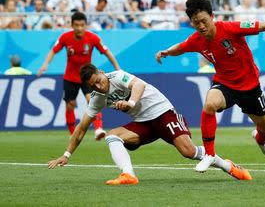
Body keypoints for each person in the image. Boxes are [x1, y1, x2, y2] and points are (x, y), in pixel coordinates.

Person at [155, 0, 265, 172]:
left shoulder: (231, 28)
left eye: (204, 20)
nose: (201, 26)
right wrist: (166, 52)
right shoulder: (197, 40)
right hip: (225, 85)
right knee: (210, 104)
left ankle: (259, 138)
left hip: (250, 87)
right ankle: (210, 154)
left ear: (212, 16)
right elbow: (181, 47)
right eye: (196, 23)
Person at [47, 64, 252, 184]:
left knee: (189, 152)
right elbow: (82, 127)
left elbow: (139, 85)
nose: (100, 86)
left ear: (101, 72)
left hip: (163, 112)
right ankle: (128, 174)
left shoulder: (117, 76)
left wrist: (131, 103)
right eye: (94, 86)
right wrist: (66, 155)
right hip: (143, 123)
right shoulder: (98, 97)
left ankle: (228, 165)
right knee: (112, 135)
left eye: (98, 80)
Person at [37, 12, 121, 139]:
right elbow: (53, 51)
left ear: (85, 25)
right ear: (72, 25)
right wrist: (45, 64)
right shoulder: (65, 37)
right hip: (70, 77)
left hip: (88, 77)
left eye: (82, 25)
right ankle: (73, 134)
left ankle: (98, 129)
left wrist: (118, 68)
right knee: (70, 105)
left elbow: (107, 52)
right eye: (76, 25)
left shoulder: (93, 38)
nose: (79, 28)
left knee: (91, 100)